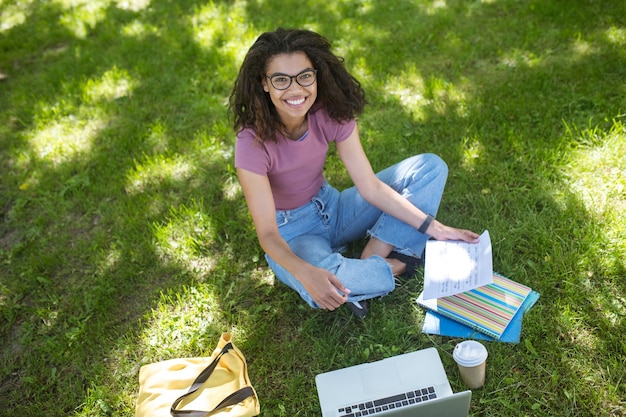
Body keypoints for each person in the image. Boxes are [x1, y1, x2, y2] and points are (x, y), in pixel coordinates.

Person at [229, 28, 479, 318]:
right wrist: (305, 272)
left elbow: (370, 187)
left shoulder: (330, 112)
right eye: (281, 80)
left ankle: (372, 254)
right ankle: (398, 264)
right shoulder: (251, 141)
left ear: (317, 75)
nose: (296, 90)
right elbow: (269, 234)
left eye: (304, 76)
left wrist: (436, 228)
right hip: (292, 233)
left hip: (332, 208)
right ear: (264, 83)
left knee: (430, 167)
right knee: (320, 283)